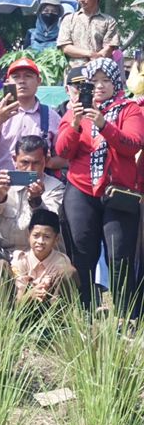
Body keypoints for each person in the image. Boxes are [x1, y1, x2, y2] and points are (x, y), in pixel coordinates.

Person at [54, 58, 144, 314]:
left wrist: (104, 124)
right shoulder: (74, 112)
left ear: (116, 83)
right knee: (82, 254)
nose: (100, 86)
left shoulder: (129, 109)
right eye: (94, 81)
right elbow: (62, 151)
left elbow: (133, 144)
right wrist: (74, 125)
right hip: (81, 190)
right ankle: (85, 314)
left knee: (119, 257)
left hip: (118, 192)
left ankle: (126, 317)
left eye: (106, 80)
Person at [0, 134, 65, 264]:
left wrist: (36, 201)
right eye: (24, 162)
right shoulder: (3, 181)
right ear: (15, 159)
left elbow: (51, 222)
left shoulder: (55, 187)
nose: (30, 169)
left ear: (46, 160)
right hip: (5, 255)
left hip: (39, 257)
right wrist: (1, 195)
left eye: (36, 163)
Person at [0, 57, 58, 175]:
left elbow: (64, 158)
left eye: (28, 76)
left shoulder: (51, 116)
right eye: (16, 77)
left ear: (39, 81)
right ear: (8, 82)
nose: (22, 81)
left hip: (34, 183)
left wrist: (47, 160)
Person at [10, 208, 76, 305]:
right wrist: (30, 294)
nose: (40, 241)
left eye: (47, 237)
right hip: (21, 308)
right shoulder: (20, 259)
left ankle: (56, 320)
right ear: (28, 236)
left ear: (56, 239)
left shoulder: (61, 261)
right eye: (36, 235)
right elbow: (18, 298)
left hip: (49, 308)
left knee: (70, 272)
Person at [58, 0, 121, 64]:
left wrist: (96, 61)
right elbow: (65, 47)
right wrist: (89, 54)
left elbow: (110, 46)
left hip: (100, 72)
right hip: (75, 71)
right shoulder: (69, 19)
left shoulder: (109, 21)